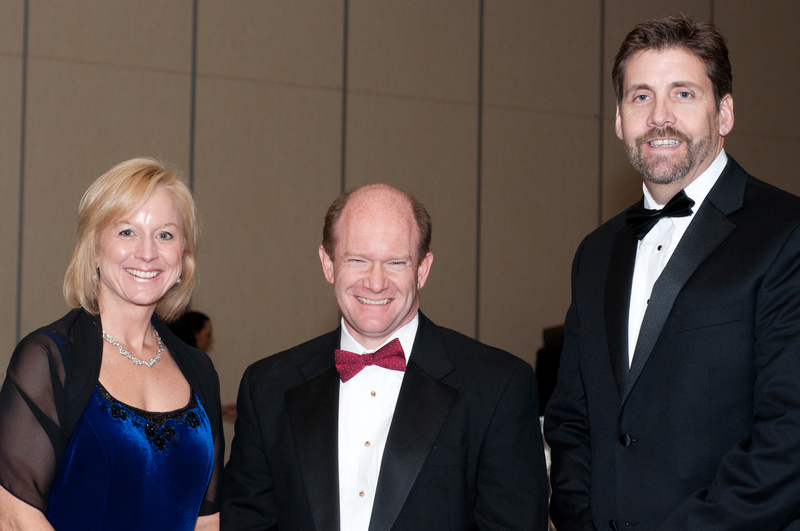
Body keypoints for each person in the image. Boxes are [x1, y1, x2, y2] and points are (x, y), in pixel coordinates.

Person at [545, 15, 800, 531]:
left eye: (683, 94)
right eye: (641, 97)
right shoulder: (594, 254)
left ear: (723, 112)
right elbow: (572, 421)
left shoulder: (786, 234)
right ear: (619, 119)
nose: (660, 117)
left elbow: (789, 434)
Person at [222, 184, 548, 530]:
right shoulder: (267, 387)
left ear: (422, 270)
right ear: (328, 264)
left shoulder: (498, 386)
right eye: (358, 260)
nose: (376, 283)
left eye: (395, 262)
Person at [0, 158, 224, 530]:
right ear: (94, 247)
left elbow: (207, 519)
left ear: (183, 256)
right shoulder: (50, 358)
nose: (147, 252)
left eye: (165, 235)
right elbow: (14, 514)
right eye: (126, 232)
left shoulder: (200, 371)